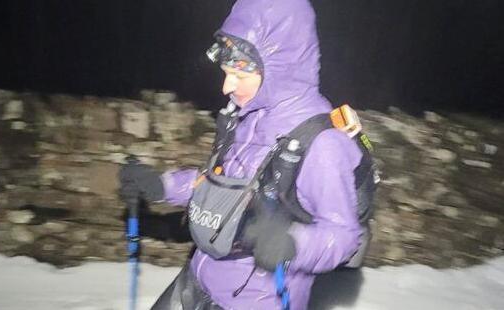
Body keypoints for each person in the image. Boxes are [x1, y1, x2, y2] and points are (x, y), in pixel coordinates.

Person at [119, 0, 369, 308]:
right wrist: (163, 185)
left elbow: (344, 237)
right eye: (226, 72)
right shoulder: (249, 115)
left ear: (280, 65)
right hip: (195, 281)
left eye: (238, 75)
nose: (226, 86)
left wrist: (292, 244)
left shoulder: (323, 143)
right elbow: (223, 189)